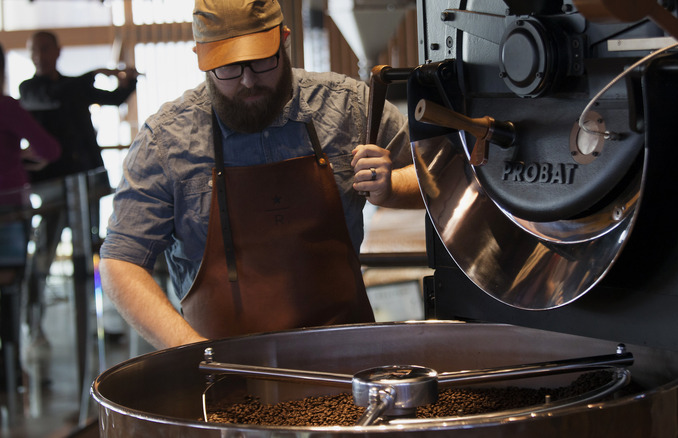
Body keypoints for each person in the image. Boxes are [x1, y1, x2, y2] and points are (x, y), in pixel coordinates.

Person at [99, 0, 423, 350]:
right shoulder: (166, 142)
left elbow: (443, 177)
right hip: (221, 369)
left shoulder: (349, 107)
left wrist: (391, 188)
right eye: (228, 68)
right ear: (200, 57)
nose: (248, 80)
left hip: (346, 358)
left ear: (283, 39)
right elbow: (121, 262)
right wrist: (194, 353)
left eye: (261, 60)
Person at [18, 30, 138, 342]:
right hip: (51, 187)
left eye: (45, 49)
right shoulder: (30, 89)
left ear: (57, 51)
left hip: (85, 183)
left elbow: (112, 99)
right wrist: (96, 73)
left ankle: (97, 325)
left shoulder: (74, 86)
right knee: (43, 255)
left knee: (88, 256)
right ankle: (34, 327)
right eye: (34, 50)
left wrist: (129, 81)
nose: (39, 56)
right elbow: (54, 96)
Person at [0, 42, 61, 392]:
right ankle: (11, 375)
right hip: (8, 215)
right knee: (8, 297)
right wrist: (21, 156)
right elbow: (50, 149)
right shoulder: (6, 106)